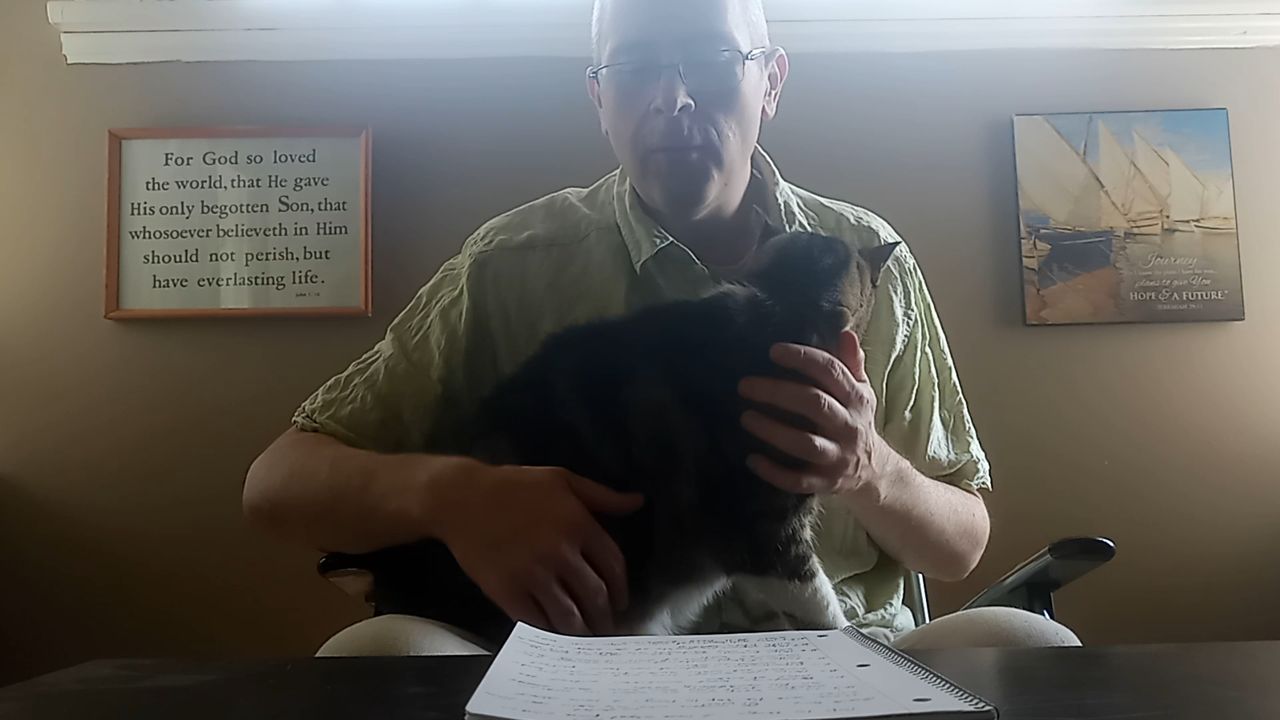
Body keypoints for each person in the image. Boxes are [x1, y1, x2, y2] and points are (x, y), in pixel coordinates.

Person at [243, 0, 1080, 655]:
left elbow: (960, 546)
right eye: (637, 67)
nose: (673, 99)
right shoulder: (510, 264)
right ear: (599, 97)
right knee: (373, 652)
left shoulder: (866, 259)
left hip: (843, 654)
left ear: (771, 82)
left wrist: (870, 470)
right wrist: (455, 496)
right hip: (581, 661)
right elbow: (277, 485)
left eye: (712, 62)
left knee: (1032, 645)